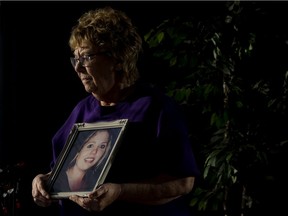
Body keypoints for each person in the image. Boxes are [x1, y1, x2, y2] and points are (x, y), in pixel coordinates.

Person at [31, 6, 200, 216]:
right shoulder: (82, 110)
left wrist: (120, 191)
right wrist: (45, 181)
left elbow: (183, 183)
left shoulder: (156, 108)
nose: (78, 68)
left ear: (118, 59)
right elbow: (67, 174)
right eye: (76, 59)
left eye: (87, 57)